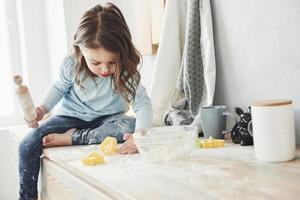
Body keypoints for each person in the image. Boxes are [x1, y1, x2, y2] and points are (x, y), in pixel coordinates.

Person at [18, 3, 153, 200]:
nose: (105, 70)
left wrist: (139, 136)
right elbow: (58, 88)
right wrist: (41, 109)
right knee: (27, 144)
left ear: (121, 54)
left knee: (131, 125)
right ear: (80, 51)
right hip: (70, 116)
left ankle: (73, 137)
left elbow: (142, 104)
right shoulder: (71, 64)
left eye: (112, 62)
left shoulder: (127, 72)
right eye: (96, 63)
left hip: (109, 119)